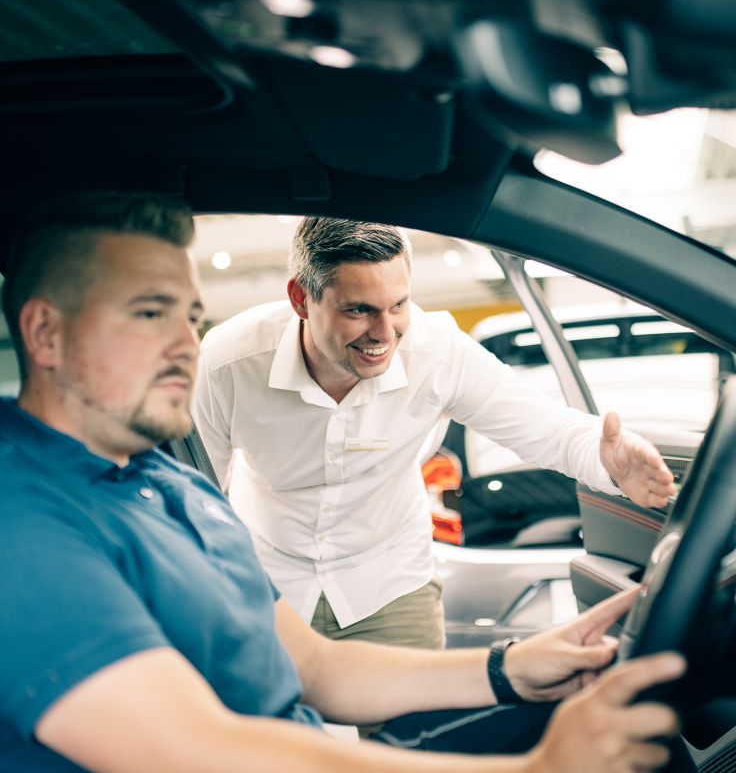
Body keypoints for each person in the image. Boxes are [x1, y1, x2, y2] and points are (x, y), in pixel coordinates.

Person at [0, 191, 686, 773]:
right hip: (283, 579)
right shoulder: (24, 527)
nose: (185, 344)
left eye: (191, 317)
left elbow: (318, 671)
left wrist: (509, 668)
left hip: (385, 571)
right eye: (151, 313)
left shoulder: (173, 488)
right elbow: (201, 748)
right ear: (46, 334)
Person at [192, 216, 677, 649]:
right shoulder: (228, 361)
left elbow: (545, 427)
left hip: (389, 585)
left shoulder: (438, 353)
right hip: (266, 584)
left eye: (398, 304)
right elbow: (192, 489)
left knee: (410, 743)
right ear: (301, 298)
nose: (385, 333)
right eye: (359, 310)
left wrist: (605, 459)